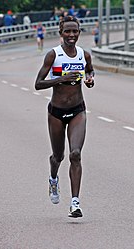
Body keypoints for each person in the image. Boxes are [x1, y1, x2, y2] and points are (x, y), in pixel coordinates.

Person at [35, 16, 95, 218]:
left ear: (79, 33)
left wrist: (89, 79)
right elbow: (38, 83)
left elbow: (90, 70)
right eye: (67, 32)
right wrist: (61, 79)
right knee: (58, 156)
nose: (71, 35)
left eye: (75, 31)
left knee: (75, 154)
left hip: (78, 110)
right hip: (56, 113)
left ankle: (75, 203)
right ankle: (53, 179)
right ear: (61, 33)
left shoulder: (83, 55)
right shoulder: (54, 55)